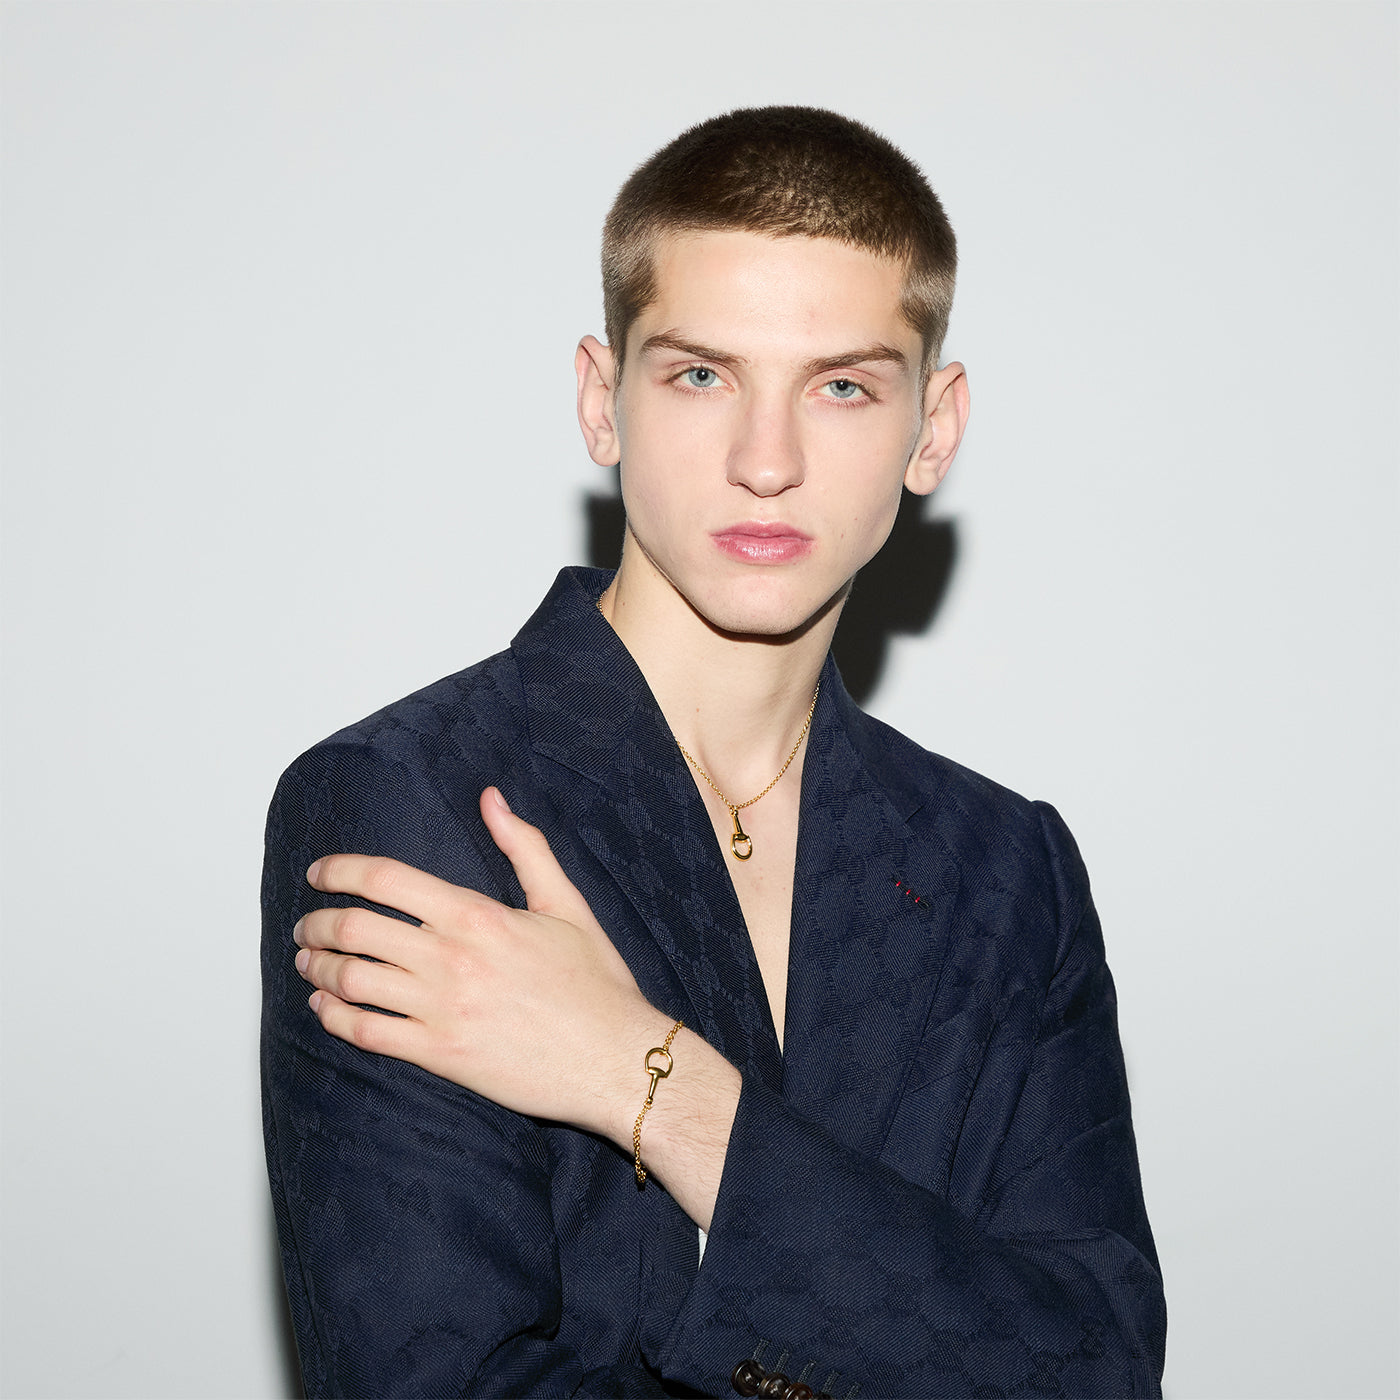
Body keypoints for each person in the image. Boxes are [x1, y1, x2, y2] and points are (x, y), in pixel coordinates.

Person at [261, 106, 1166, 1399]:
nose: (766, 462)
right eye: (701, 375)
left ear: (934, 428)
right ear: (601, 398)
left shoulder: (1007, 867)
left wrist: (658, 1088)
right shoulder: (417, 806)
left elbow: (1096, 1371)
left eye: (842, 386)